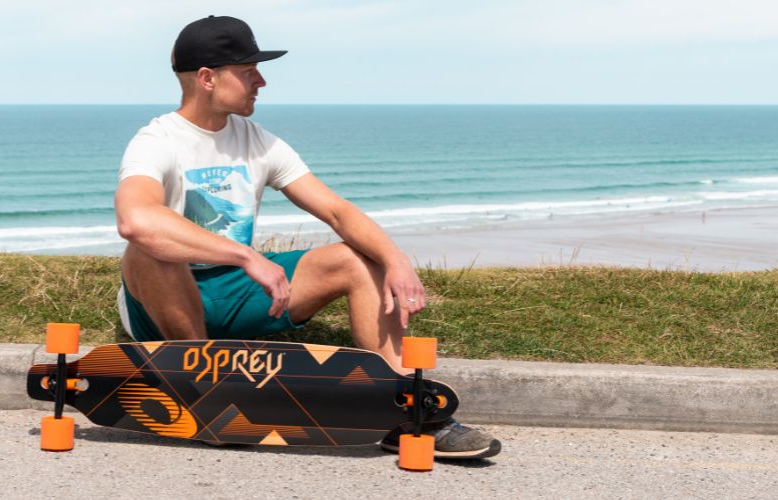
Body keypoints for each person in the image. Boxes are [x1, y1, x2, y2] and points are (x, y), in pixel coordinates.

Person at [114, 15, 500, 459]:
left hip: (237, 295)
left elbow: (337, 210)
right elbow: (135, 219)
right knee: (146, 251)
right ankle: (204, 393)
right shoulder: (157, 140)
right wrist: (247, 256)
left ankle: (404, 407)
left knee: (355, 259)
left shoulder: (257, 141)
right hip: (166, 305)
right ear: (206, 78)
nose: (261, 81)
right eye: (248, 71)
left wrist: (395, 260)